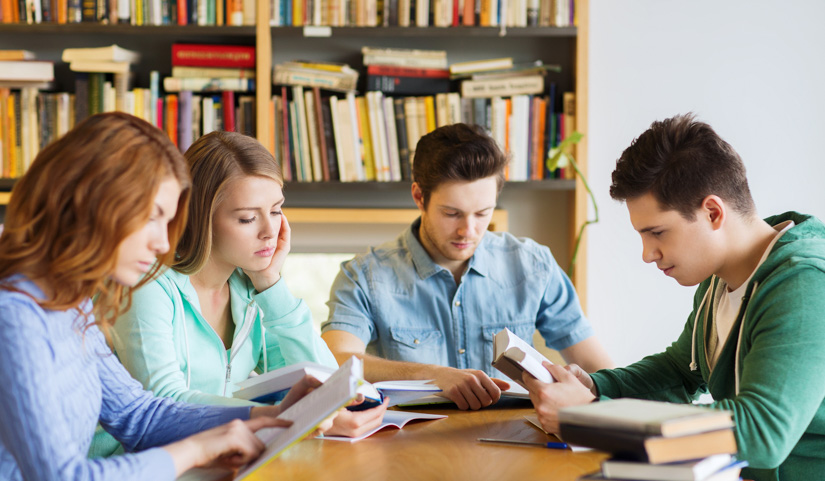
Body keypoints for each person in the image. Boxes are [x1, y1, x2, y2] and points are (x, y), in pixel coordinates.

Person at [0, 112, 327, 480]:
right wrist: (197, 449)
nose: (162, 241)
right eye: (152, 218)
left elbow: (138, 415)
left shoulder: (71, 304)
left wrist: (268, 415)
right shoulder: (14, 316)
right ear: (92, 203)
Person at [522, 114, 825, 481]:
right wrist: (595, 386)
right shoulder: (718, 278)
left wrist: (592, 414)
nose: (648, 254)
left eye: (658, 233)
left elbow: (763, 432)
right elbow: (680, 372)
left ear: (712, 212)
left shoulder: (804, 283)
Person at [104, 130, 386, 456]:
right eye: (248, 218)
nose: (270, 231)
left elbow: (323, 380)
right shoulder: (148, 285)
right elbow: (165, 401)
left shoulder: (249, 287)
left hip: (219, 463)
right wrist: (292, 418)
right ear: (199, 218)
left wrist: (272, 284)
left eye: (277, 211)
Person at [321, 123, 614, 411]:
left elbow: (598, 368)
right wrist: (432, 375)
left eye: (483, 213)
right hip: (407, 446)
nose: (468, 230)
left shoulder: (533, 265)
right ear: (419, 197)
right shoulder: (363, 275)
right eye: (452, 213)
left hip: (516, 442)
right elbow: (335, 357)